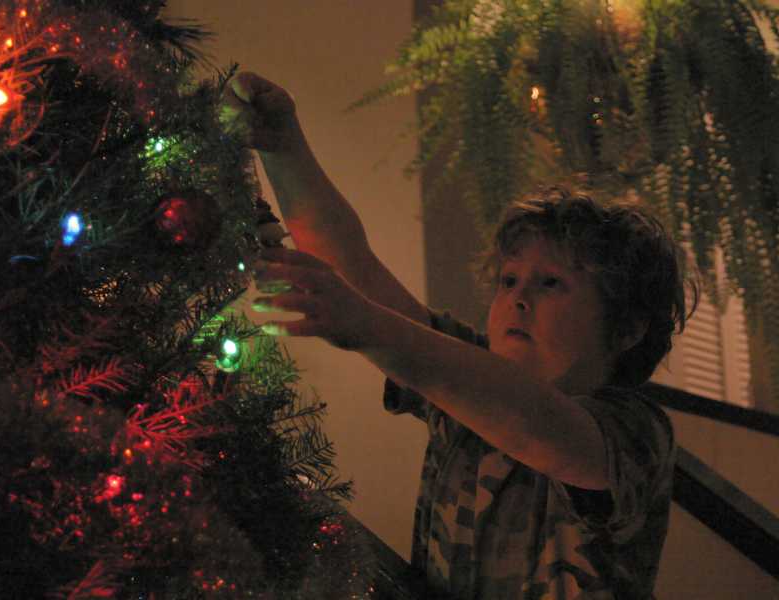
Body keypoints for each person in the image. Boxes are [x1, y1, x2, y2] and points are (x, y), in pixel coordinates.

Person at [220, 71, 696, 600]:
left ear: (627, 328)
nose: (518, 298)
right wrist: (284, 148)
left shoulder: (636, 432)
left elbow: (533, 425)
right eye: (508, 280)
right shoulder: (461, 375)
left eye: (551, 284)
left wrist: (367, 324)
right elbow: (356, 270)